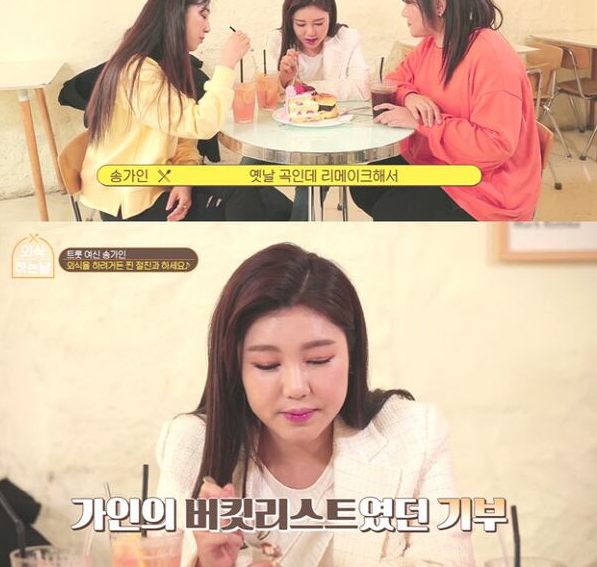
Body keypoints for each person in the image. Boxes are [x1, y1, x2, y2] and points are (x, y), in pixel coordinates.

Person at [156, 243, 475, 567]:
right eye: (267, 365)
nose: (296, 388)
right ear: (235, 368)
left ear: (352, 355)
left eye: (318, 360)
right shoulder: (192, 444)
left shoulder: (414, 432)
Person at [351, 0, 542, 221]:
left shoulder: (491, 56)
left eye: (409, 2)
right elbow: (394, 80)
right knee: (363, 186)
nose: (404, 12)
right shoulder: (433, 45)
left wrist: (422, 123)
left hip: (486, 188)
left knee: (390, 211)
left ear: (439, 5)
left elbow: (495, 146)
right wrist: (410, 97)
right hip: (442, 161)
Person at [79, 0, 267, 222]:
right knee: (248, 198)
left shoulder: (165, 64)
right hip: (132, 197)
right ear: (176, 15)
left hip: (162, 179)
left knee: (263, 196)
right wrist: (227, 64)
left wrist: (184, 177)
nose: (208, 27)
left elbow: (182, 137)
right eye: (203, 15)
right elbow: (201, 124)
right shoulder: (138, 72)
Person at [246, 0, 370, 221]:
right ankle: (288, 219)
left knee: (309, 184)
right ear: (289, 21)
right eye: (301, 24)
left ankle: (298, 233)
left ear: (331, 17)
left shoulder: (347, 38)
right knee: (246, 174)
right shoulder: (277, 40)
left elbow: (361, 87)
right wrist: (283, 79)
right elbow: (266, 95)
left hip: (332, 136)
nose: (310, 33)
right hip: (284, 134)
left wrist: (304, 89)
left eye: (319, 23)